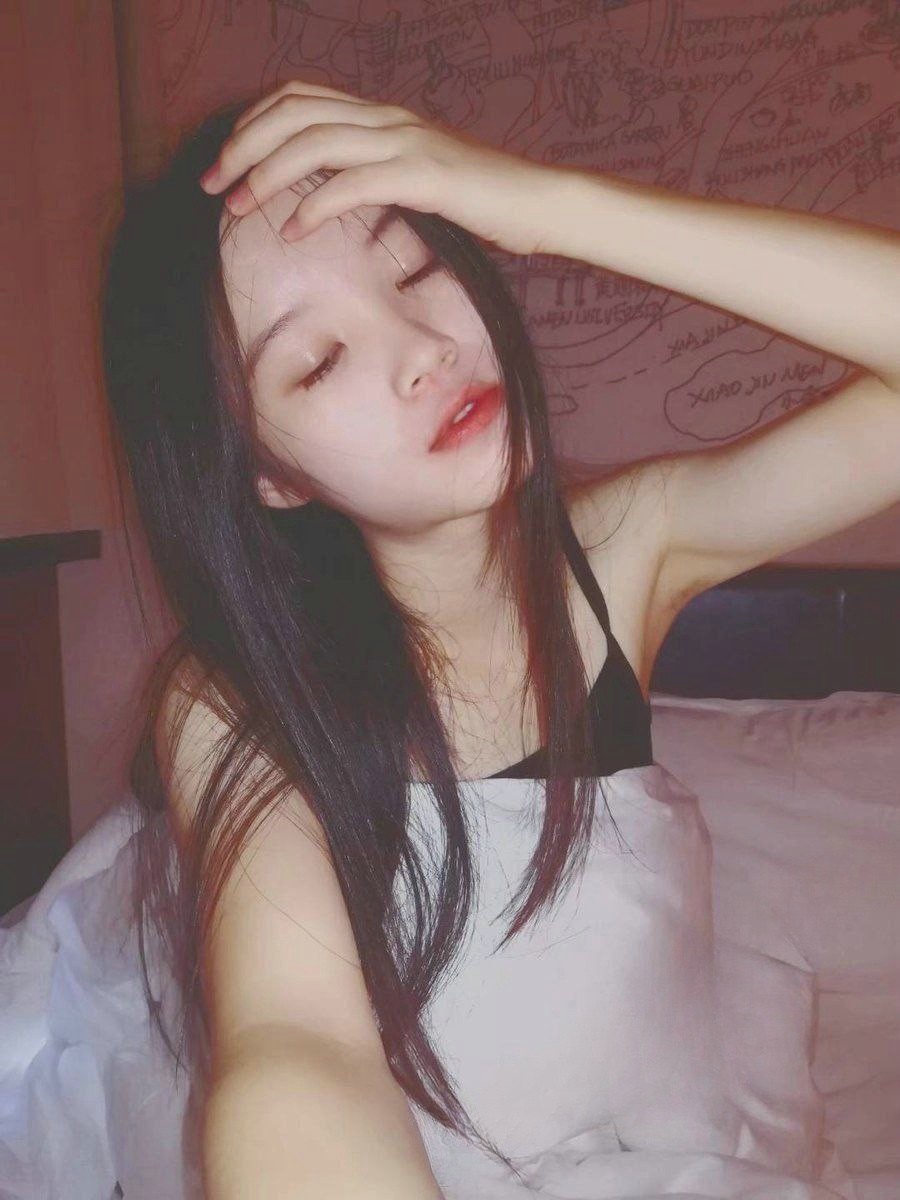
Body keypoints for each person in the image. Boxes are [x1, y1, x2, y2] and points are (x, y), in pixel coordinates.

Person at [9, 78, 900, 1199]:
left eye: (416, 266)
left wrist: (543, 203)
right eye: (319, 360)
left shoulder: (628, 548)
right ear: (271, 477)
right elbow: (296, 1042)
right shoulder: (236, 695)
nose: (423, 349)